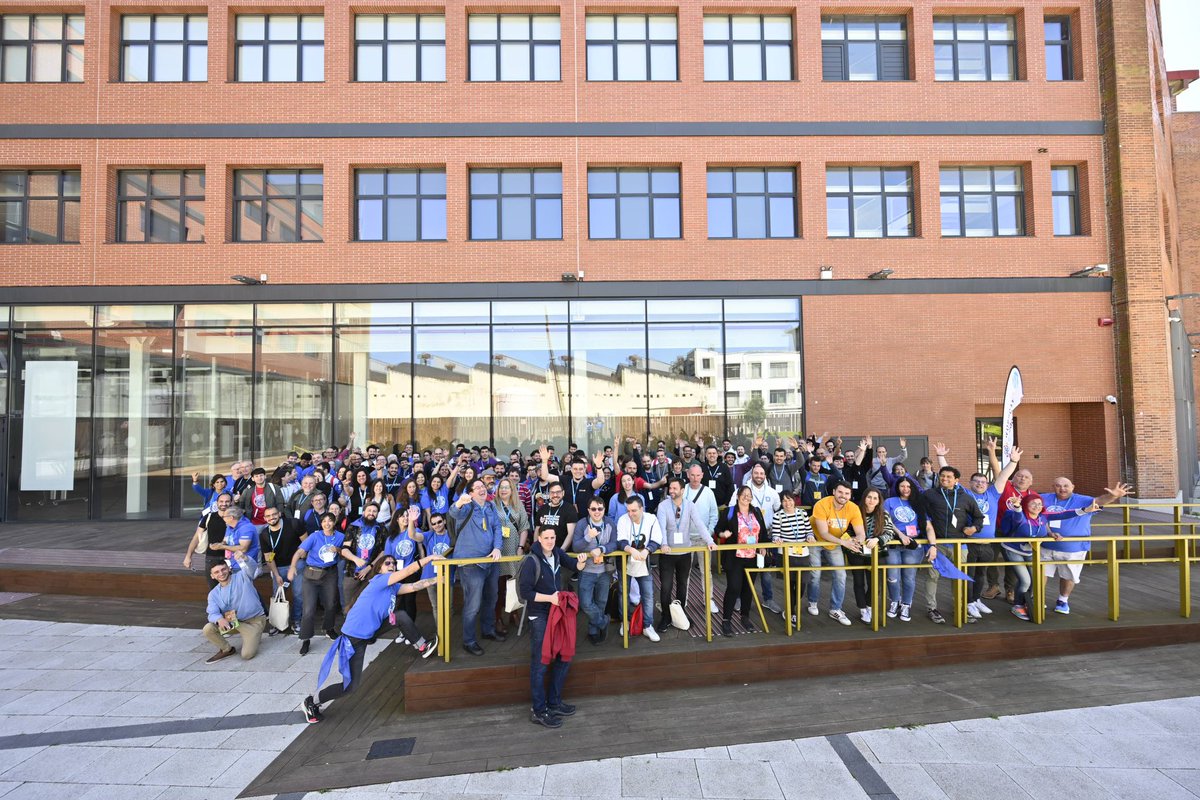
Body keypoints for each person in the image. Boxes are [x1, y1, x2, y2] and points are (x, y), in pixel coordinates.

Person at [302, 553, 440, 723]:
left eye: (394, 563)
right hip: (353, 639)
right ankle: (311, 701)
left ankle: (422, 646)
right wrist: (430, 558)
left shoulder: (393, 587)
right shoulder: (380, 580)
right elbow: (408, 571)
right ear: (379, 568)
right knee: (350, 686)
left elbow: (414, 586)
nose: (392, 565)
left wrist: (436, 581)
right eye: (387, 563)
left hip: (369, 633)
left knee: (401, 616)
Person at [935, 443, 1023, 618]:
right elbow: (949, 477)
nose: (980, 484)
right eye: (976, 481)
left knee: (981, 574)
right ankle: (967, 603)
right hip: (970, 543)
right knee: (969, 574)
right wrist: (940, 457)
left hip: (987, 543)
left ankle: (975, 600)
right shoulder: (964, 494)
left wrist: (1013, 461)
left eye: (983, 482)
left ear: (987, 484)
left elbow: (1003, 477)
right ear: (970, 483)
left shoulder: (992, 494)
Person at [522, 525, 588, 728]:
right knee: (541, 662)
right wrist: (550, 598)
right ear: (539, 539)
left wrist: (582, 560)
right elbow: (525, 592)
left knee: (563, 655)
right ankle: (539, 710)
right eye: (546, 537)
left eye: (553, 537)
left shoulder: (558, 553)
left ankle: (554, 701)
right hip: (539, 614)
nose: (550, 541)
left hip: (557, 612)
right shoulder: (531, 561)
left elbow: (575, 566)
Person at [999, 494, 1098, 620]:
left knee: (1035, 579)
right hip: (1013, 550)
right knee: (1025, 581)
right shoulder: (1021, 515)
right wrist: (1017, 507)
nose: (1037, 506)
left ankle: (1027, 603)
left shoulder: (1043, 517)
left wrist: (1085, 510)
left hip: (1029, 551)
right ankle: (1017, 605)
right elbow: (1018, 518)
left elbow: (1063, 514)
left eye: (1040, 504)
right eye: (1033, 503)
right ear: (1025, 505)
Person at [1040, 479, 1131, 614]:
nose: (1062, 489)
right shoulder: (1044, 498)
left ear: (1073, 487)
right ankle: (1039, 599)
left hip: (1074, 547)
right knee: (1041, 573)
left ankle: (1063, 600)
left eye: (1066, 486)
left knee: (1068, 575)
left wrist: (1113, 496)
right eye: (1058, 486)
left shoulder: (1082, 500)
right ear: (1053, 486)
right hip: (1045, 544)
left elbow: (1100, 500)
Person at [920, 466, 983, 624]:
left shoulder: (965, 497)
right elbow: (922, 515)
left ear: (956, 480)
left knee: (958, 577)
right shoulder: (929, 494)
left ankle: (960, 608)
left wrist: (974, 528)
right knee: (932, 577)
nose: (945, 479)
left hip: (959, 544)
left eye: (949, 477)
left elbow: (978, 517)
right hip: (937, 544)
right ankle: (931, 608)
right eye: (942, 476)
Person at [449, 478, 504, 656]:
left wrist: (497, 547)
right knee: (473, 604)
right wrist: (459, 502)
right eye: (477, 487)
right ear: (470, 492)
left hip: (490, 561)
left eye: (483, 486)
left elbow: (497, 528)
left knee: (491, 598)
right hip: (470, 563)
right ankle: (469, 640)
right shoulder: (466, 506)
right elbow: (453, 513)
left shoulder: (490, 507)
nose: (482, 489)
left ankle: (488, 630)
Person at [656, 476, 717, 630]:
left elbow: (700, 524)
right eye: (670, 488)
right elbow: (661, 527)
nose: (671, 491)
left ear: (682, 490)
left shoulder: (690, 506)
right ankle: (665, 616)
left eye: (675, 488)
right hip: (667, 554)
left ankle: (680, 612)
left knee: (683, 585)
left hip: (684, 553)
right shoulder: (663, 506)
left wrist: (709, 540)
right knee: (666, 587)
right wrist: (663, 543)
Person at [288, 511, 345, 656]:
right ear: (321, 523)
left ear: (334, 522)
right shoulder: (314, 536)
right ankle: (306, 638)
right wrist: (293, 566)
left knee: (331, 603)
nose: (327, 524)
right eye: (324, 521)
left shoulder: (340, 536)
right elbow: (300, 552)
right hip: (312, 574)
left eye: (330, 521)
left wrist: (337, 549)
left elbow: (345, 552)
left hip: (330, 573)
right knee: (309, 609)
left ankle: (329, 628)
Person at [809, 481, 865, 626]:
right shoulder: (821, 504)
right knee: (815, 573)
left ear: (850, 495)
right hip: (815, 540)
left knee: (841, 574)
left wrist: (857, 541)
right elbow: (823, 533)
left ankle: (835, 608)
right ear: (834, 492)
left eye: (847, 493)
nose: (843, 496)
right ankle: (812, 602)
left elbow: (861, 533)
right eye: (840, 492)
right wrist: (845, 543)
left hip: (836, 542)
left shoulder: (853, 508)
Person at [714, 485, 767, 635]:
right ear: (737, 496)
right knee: (734, 588)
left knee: (748, 588)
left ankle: (745, 617)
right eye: (743, 494)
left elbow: (762, 532)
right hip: (735, 557)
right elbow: (717, 530)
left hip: (752, 556)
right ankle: (726, 620)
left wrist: (764, 547)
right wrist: (723, 534)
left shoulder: (756, 511)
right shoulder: (729, 512)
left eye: (749, 495)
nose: (746, 497)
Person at [203, 551, 268, 663]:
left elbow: (252, 569)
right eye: (217, 572)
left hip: (254, 621)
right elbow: (212, 613)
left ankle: (254, 635)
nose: (221, 573)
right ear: (212, 576)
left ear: (228, 569)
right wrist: (219, 619)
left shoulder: (243, 576)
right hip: (234, 622)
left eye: (223, 569)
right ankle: (226, 649)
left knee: (247, 655)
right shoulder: (213, 594)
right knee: (208, 628)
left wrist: (245, 558)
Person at [572, 495, 618, 644]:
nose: (597, 511)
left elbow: (614, 544)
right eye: (593, 509)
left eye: (600, 508)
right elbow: (576, 547)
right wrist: (588, 537)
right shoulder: (581, 524)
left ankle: (594, 629)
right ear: (588, 510)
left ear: (604, 509)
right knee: (585, 603)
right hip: (586, 570)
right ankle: (603, 621)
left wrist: (602, 548)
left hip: (604, 570)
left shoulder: (610, 523)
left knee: (601, 602)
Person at [617, 495, 663, 643]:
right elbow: (621, 540)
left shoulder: (651, 519)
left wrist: (647, 550)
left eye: (634, 511)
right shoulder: (623, 519)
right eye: (628, 510)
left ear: (642, 508)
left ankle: (647, 625)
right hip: (626, 562)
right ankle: (626, 621)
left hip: (644, 563)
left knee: (648, 595)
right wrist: (631, 549)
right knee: (624, 594)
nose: (631, 514)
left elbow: (657, 539)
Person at [849, 488, 897, 625]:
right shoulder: (856, 511)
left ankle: (870, 606)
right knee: (858, 581)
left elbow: (889, 532)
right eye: (869, 497)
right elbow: (847, 530)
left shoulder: (884, 513)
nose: (871, 500)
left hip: (877, 552)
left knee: (875, 583)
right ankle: (862, 609)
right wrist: (854, 540)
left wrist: (878, 539)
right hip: (857, 552)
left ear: (879, 500)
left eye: (875, 498)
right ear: (864, 497)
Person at [882, 477, 924, 622]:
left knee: (909, 577)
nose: (905, 489)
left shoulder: (917, 503)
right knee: (892, 576)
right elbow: (885, 520)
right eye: (902, 486)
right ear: (897, 487)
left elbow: (924, 523)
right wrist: (900, 535)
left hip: (912, 545)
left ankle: (906, 604)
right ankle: (895, 601)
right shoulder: (889, 502)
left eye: (908, 486)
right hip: (894, 543)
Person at [259, 505, 307, 634]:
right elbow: (269, 557)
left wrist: (300, 561)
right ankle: (277, 623)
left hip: (297, 565)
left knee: (299, 594)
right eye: (268, 516)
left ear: (279, 514)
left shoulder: (293, 524)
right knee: (277, 595)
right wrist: (276, 574)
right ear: (264, 518)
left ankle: (296, 621)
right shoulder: (264, 534)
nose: (271, 518)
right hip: (278, 568)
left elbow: (305, 543)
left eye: (274, 514)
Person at [493, 476, 531, 635]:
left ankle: (513, 613)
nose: (504, 490)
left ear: (512, 490)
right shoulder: (492, 505)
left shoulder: (518, 505)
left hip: (514, 549)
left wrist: (521, 547)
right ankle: (497, 617)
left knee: (513, 586)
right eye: (501, 487)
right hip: (499, 551)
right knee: (499, 587)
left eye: (507, 487)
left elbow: (524, 527)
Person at [742, 464, 783, 614]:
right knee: (744, 569)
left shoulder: (772, 493)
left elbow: (778, 511)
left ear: (765, 475)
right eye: (756, 473)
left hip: (767, 536)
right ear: (751, 474)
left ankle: (768, 599)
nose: (759, 475)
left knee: (766, 570)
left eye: (761, 473)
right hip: (747, 538)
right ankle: (741, 598)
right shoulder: (742, 492)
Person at [770, 491, 815, 625]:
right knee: (790, 585)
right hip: (786, 554)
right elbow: (775, 534)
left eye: (789, 500)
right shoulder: (778, 516)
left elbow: (809, 530)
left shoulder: (803, 514)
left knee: (802, 585)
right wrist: (777, 538)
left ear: (794, 500)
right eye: (784, 500)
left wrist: (810, 536)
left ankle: (792, 608)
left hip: (803, 554)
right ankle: (791, 612)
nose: (787, 503)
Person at [341, 502, 385, 613]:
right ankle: (348, 628)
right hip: (352, 571)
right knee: (349, 604)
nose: (371, 513)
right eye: (369, 510)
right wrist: (356, 559)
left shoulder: (381, 529)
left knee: (368, 603)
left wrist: (369, 567)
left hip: (372, 572)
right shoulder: (353, 526)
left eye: (374, 511)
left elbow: (383, 552)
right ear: (364, 512)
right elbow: (344, 549)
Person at [183, 491, 233, 588]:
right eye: (221, 501)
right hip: (212, 558)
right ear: (216, 503)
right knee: (213, 589)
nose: (224, 504)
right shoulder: (209, 517)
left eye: (227, 501)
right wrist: (188, 556)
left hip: (231, 558)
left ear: (231, 502)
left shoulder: (236, 518)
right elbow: (197, 537)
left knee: (232, 588)